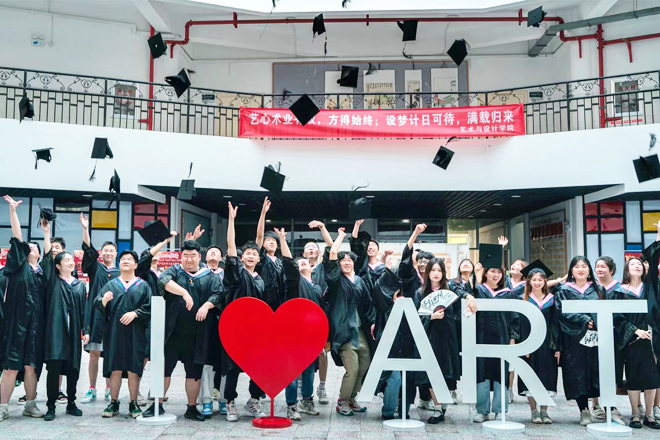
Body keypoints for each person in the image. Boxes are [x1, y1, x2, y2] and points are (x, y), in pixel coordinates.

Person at [144, 240, 223, 421]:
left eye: (193, 255)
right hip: (172, 332)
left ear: (199, 257)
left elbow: (219, 293)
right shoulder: (174, 271)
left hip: (197, 334)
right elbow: (163, 281)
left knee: (194, 373)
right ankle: (157, 404)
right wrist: (184, 293)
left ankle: (192, 408)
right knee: (164, 369)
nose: (189, 259)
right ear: (181, 257)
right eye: (185, 255)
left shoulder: (209, 276)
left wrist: (207, 305)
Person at [0, 196, 46, 422]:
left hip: (36, 325)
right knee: (10, 367)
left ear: (39, 254)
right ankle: (2, 407)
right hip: (16, 323)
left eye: (35, 246)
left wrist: (46, 232)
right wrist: (13, 212)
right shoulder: (18, 267)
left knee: (31, 367)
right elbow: (18, 239)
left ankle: (30, 404)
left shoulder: (43, 273)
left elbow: (52, 256)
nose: (30, 247)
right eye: (28, 247)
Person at [223, 202, 267, 422]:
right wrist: (231, 220)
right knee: (232, 368)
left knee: (259, 367)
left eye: (254, 254)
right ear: (242, 258)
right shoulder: (238, 274)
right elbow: (231, 245)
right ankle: (230, 402)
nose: (251, 255)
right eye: (247, 253)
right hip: (236, 328)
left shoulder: (261, 279)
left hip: (256, 329)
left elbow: (259, 238)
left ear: (259, 259)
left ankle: (254, 400)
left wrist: (263, 214)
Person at [96, 250, 152, 419]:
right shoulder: (111, 285)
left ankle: (134, 403)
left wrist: (135, 313)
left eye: (130, 259)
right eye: (123, 259)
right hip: (114, 333)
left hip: (136, 333)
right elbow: (97, 304)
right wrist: (103, 301)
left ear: (136, 265)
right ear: (119, 264)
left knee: (134, 368)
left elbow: (149, 307)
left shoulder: (143, 286)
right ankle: (114, 402)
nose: (126, 261)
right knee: (115, 368)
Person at [325, 227, 375, 416]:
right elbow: (332, 255)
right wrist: (340, 237)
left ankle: (352, 398)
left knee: (365, 365)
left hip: (360, 331)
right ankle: (343, 401)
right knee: (352, 369)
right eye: (343, 260)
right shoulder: (336, 281)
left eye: (349, 260)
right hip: (344, 332)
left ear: (354, 263)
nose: (346, 262)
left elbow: (368, 305)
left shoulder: (360, 281)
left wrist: (373, 323)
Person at [276, 227, 322, 421]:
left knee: (309, 371)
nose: (303, 262)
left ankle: (307, 400)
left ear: (312, 266)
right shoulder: (295, 283)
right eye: (299, 261)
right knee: (292, 371)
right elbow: (288, 263)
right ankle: (291, 405)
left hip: (311, 335)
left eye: (305, 262)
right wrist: (282, 240)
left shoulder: (317, 287)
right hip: (292, 333)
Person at [41, 226, 86, 421]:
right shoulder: (52, 280)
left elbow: (84, 310)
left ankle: (71, 403)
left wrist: (86, 330)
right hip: (55, 332)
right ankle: (51, 406)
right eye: (66, 260)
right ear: (58, 266)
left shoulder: (79, 285)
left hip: (74, 333)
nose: (70, 262)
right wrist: (46, 232)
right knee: (54, 369)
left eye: (71, 260)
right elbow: (47, 260)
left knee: (73, 369)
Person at [611, 250, 660, 429]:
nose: (637, 266)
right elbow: (617, 317)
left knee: (652, 378)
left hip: (652, 338)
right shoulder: (620, 292)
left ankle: (649, 415)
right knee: (633, 376)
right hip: (632, 339)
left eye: (639, 264)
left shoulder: (650, 288)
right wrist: (635, 331)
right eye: (632, 264)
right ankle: (635, 414)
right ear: (627, 270)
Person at [555, 256, 604, 426]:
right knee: (577, 373)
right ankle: (583, 409)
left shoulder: (598, 289)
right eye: (576, 267)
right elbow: (561, 312)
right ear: (571, 271)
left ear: (589, 270)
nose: (580, 269)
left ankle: (599, 406)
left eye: (584, 266)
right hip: (573, 339)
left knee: (596, 371)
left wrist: (595, 322)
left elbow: (605, 310)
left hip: (595, 338)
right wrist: (583, 320)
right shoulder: (564, 290)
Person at [470, 259, 519, 423]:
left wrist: (513, 338)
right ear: (486, 273)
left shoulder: (508, 293)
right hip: (481, 337)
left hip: (502, 338)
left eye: (499, 272)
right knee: (482, 374)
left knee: (501, 374)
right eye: (492, 271)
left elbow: (514, 318)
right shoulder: (478, 290)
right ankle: (482, 410)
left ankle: (500, 410)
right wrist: (476, 275)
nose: (496, 275)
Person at [80, 213, 119, 404]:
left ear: (116, 253)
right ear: (101, 253)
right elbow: (88, 250)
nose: (108, 253)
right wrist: (85, 229)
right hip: (96, 316)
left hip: (114, 318)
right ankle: (92, 388)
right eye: (106, 250)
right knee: (94, 355)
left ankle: (109, 389)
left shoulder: (121, 272)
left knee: (110, 355)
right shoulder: (96, 269)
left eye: (112, 250)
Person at [415, 258, 460, 424]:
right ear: (428, 272)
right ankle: (438, 407)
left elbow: (458, 313)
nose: (436, 273)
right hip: (430, 337)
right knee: (431, 373)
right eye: (433, 270)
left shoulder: (451, 290)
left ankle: (442, 405)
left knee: (447, 372)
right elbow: (416, 317)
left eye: (439, 270)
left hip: (448, 337)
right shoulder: (420, 293)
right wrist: (431, 317)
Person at [399, 224, 435, 411]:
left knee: (428, 363)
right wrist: (415, 233)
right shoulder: (410, 277)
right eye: (420, 260)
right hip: (409, 327)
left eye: (427, 261)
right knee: (410, 364)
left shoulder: (435, 283)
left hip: (430, 328)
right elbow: (405, 259)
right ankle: (405, 403)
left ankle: (426, 398)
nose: (422, 263)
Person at [518, 266, 559, 424]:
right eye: (534, 279)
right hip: (529, 344)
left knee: (546, 377)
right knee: (530, 377)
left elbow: (555, 325)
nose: (537, 282)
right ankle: (534, 411)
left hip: (547, 345)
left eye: (540, 280)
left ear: (545, 281)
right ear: (529, 281)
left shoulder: (552, 300)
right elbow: (520, 325)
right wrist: (523, 345)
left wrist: (557, 346)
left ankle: (544, 411)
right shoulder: (523, 300)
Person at [370, 260, 404, 420]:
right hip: (390, 343)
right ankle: (389, 410)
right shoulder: (383, 293)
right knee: (394, 378)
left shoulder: (414, 289)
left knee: (401, 379)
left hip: (408, 343)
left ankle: (401, 409)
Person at [306, 220, 334, 405]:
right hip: (302, 317)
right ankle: (302, 387)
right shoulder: (299, 268)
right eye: (307, 248)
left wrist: (323, 227)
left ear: (318, 252)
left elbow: (332, 247)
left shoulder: (323, 267)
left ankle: (322, 386)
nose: (311, 249)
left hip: (321, 316)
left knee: (323, 353)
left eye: (314, 247)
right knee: (302, 353)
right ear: (303, 253)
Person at [199, 244, 225, 418]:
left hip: (224, 321)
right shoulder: (200, 274)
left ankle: (224, 398)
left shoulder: (227, 275)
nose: (213, 253)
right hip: (205, 322)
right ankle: (206, 399)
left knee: (224, 363)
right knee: (206, 362)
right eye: (210, 251)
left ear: (221, 258)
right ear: (205, 257)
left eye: (217, 251)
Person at [255, 197, 285, 311]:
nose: (271, 242)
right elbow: (259, 235)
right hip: (263, 300)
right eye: (268, 240)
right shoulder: (261, 259)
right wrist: (263, 213)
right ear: (263, 244)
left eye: (274, 241)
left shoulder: (280, 262)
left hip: (279, 302)